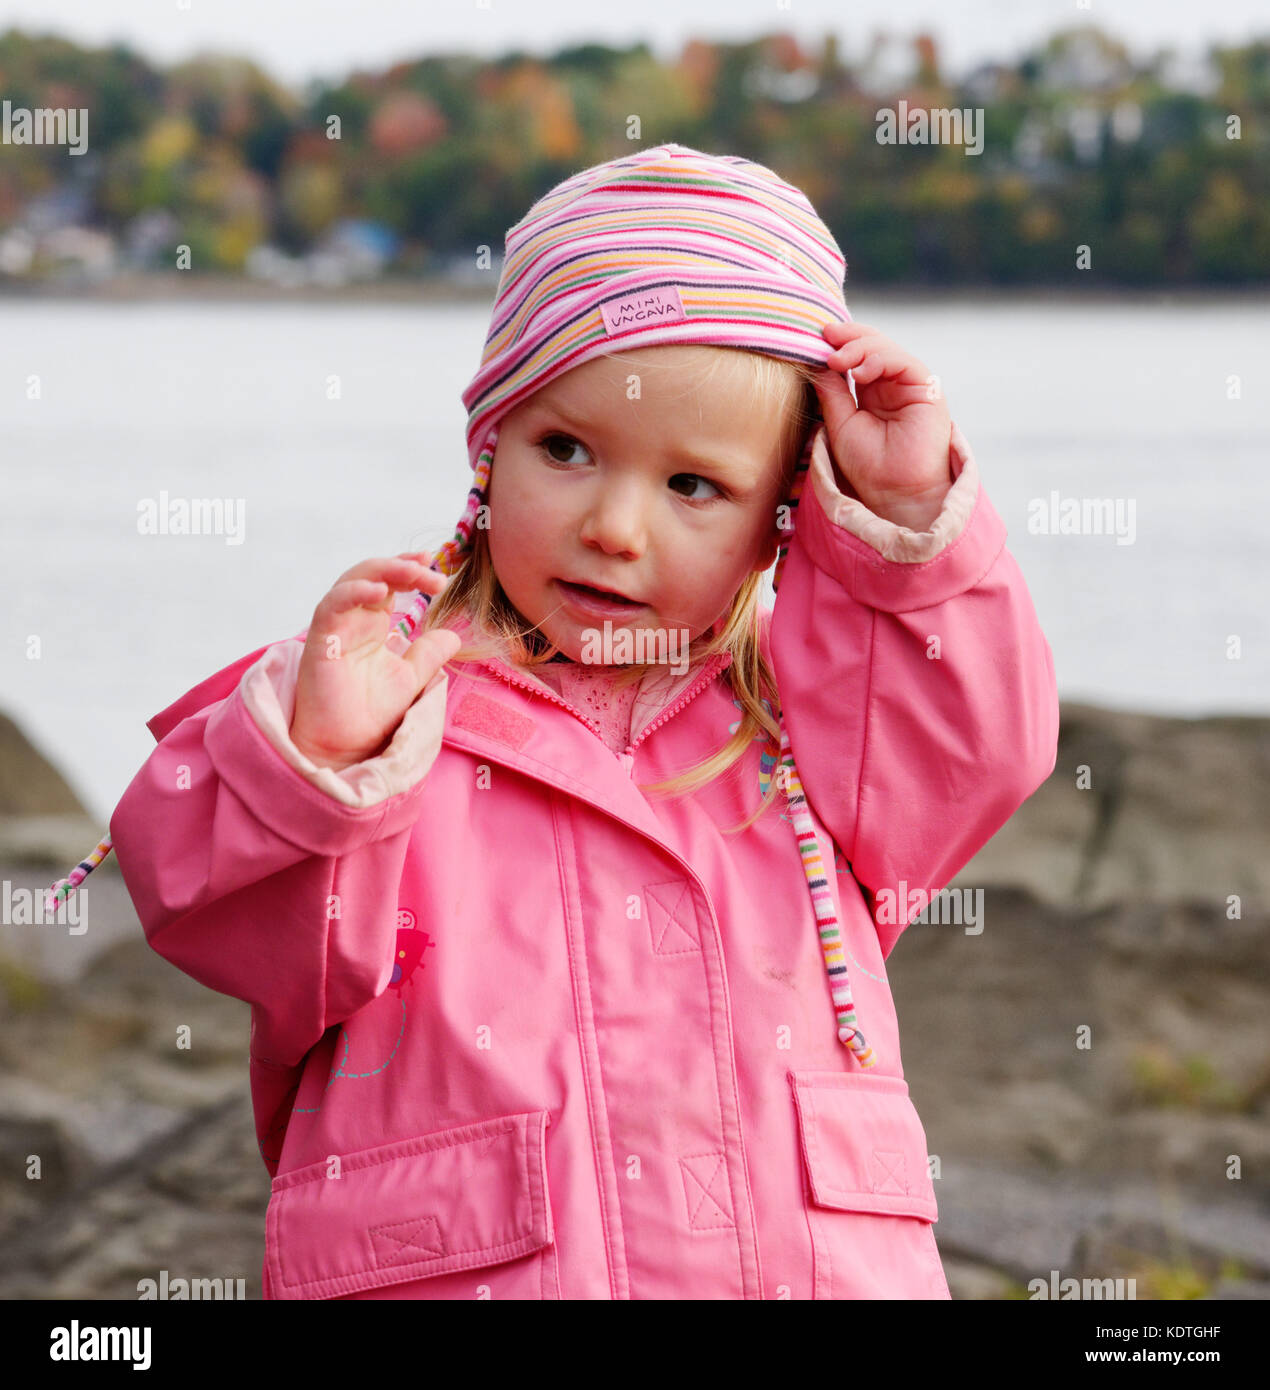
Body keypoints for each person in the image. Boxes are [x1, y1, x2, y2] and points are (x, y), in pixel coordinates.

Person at [59, 143, 1059, 1299]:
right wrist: (321, 762)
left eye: (694, 486)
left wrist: (898, 516)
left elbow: (976, 750)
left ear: (784, 513)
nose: (615, 527)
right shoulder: (392, 717)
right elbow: (218, 911)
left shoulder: (811, 737)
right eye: (567, 450)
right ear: (491, 450)